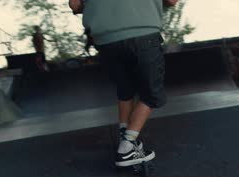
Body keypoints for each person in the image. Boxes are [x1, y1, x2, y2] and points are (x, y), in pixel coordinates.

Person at [69, 0, 178, 167]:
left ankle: (125, 138)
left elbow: (75, 5)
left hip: (106, 40)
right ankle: (127, 148)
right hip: (143, 32)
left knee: (125, 88)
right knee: (151, 94)